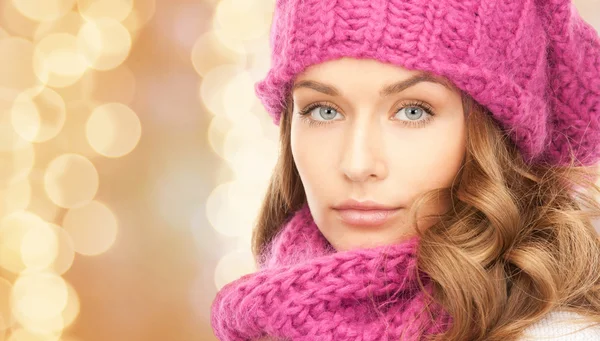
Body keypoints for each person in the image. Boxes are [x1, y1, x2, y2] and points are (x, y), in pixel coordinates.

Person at [211, 0, 600, 340]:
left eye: (413, 111)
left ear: (495, 134)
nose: (357, 164)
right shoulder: (271, 316)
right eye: (324, 111)